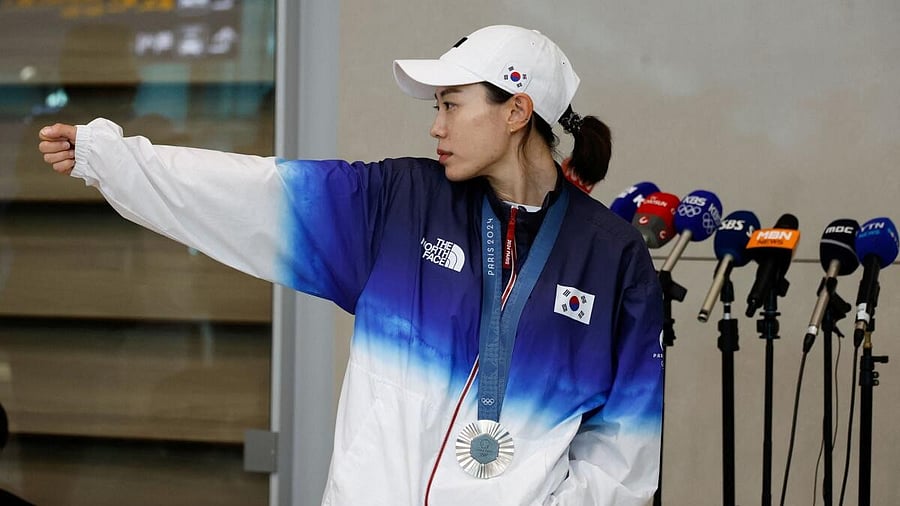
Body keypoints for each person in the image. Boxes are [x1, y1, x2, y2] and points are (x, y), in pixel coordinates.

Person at [38, 25, 664, 505]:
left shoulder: (613, 259)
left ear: (516, 112)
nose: (435, 126)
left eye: (451, 104)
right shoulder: (398, 204)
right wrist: (111, 159)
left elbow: (624, 453)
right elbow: (250, 193)